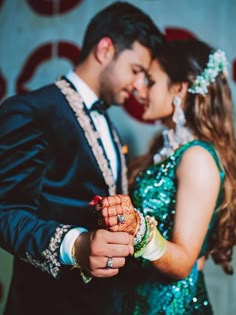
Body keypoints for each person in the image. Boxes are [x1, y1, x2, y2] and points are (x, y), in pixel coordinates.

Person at [0, 2, 165, 315]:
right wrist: (74, 246)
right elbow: (6, 212)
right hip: (48, 304)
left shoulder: (111, 124)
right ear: (105, 50)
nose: (137, 85)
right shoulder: (31, 110)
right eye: (136, 70)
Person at [95, 38, 236, 314]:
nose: (139, 89)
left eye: (151, 81)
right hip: (136, 300)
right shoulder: (166, 149)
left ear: (180, 88)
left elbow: (184, 263)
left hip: (171, 307)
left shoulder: (197, 157)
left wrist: (136, 226)